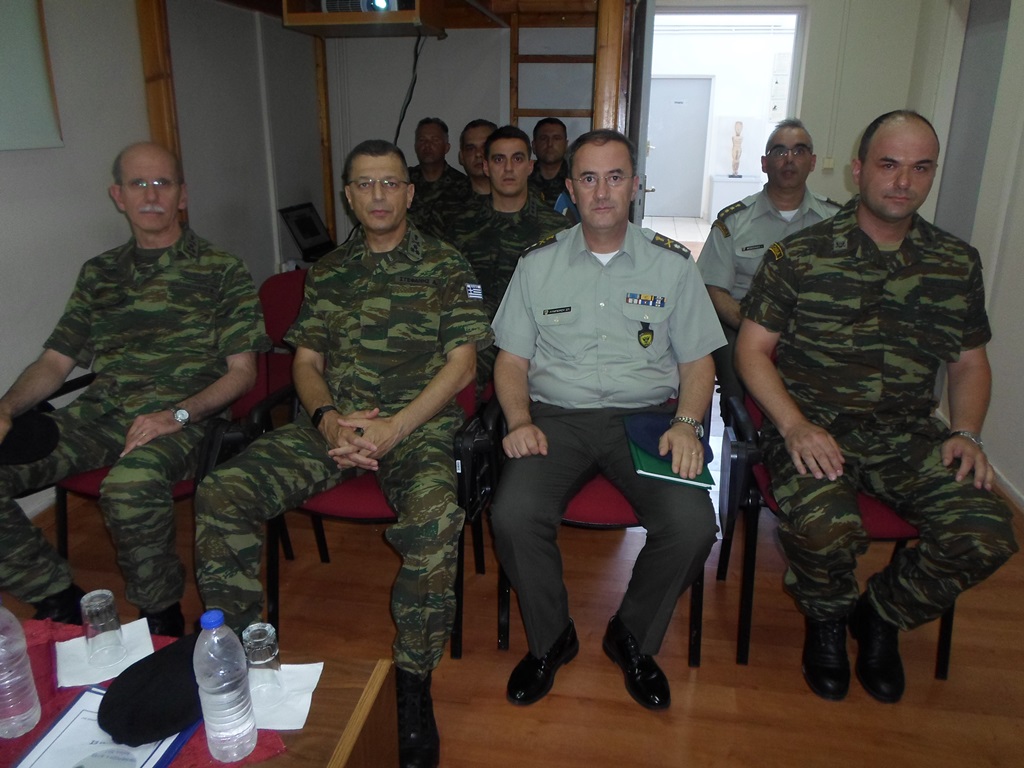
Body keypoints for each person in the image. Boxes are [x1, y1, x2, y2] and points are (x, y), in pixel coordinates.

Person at [193, 140, 492, 768]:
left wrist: (396, 428)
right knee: (222, 491)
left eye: (390, 183)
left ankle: (413, 682)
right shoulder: (328, 271)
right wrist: (328, 420)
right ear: (349, 196)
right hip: (333, 424)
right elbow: (306, 363)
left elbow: (464, 365)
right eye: (365, 184)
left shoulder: (445, 264)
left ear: (409, 192)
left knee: (435, 518)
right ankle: (239, 660)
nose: (379, 195)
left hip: (416, 426)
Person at [736, 110, 1017, 704]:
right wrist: (794, 425)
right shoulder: (800, 254)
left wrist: (967, 432)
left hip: (908, 436)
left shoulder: (955, 263)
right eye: (889, 164)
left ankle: (881, 616)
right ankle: (827, 621)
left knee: (987, 530)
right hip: (813, 429)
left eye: (920, 168)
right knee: (824, 529)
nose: (903, 182)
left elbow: (969, 363)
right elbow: (752, 351)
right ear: (859, 170)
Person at [489, 129, 724, 710]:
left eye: (615, 177)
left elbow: (698, 362)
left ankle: (632, 637)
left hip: (647, 420)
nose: (601, 192)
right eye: (588, 179)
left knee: (693, 525)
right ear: (570, 189)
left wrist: (687, 423)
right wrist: (517, 420)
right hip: (557, 417)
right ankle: (551, 639)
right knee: (513, 515)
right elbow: (511, 360)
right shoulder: (537, 265)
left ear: (635, 186)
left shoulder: (673, 265)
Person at [0, 142, 267, 637]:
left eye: (162, 183)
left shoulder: (220, 269)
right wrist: (7, 409)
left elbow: (242, 373)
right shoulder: (99, 274)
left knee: (128, 486)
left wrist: (177, 415)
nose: (151, 195)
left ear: (182, 195)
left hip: (188, 420)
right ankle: (57, 597)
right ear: (118, 195)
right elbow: (55, 362)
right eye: (138, 184)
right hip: (101, 415)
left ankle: (159, 615)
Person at [698, 118, 840, 415]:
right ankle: (743, 432)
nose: (789, 159)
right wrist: (756, 328)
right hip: (746, 324)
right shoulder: (733, 222)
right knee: (735, 356)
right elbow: (714, 289)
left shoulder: (836, 222)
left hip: (817, 329)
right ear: (764, 163)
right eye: (779, 151)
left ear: (812, 162)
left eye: (799, 151)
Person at [448, 125, 569, 387]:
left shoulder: (557, 230)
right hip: (474, 344)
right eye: (499, 159)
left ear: (530, 166)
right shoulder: (460, 226)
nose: (509, 168)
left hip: (536, 349)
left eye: (517, 158)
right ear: (486, 167)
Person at [408, 117, 467, 238]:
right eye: (422, 140)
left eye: (435, 140)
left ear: (447, 147)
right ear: (415, 146)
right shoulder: (404, 181)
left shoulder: (463, 185)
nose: (427, 145)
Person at [528, 117, 571, 205]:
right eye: (543, 138)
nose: (550, 144)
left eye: (556, 138)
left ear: (566, 145)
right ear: (534, 145)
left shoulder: (576, 177)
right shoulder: (523, 177)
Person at [457, 118, 498, 200]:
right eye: (471, 149)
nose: (478, 154)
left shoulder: (520, 197)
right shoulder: (445, 200)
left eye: (485, 147)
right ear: (461, 157)